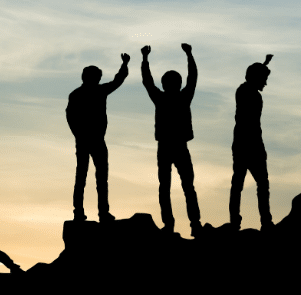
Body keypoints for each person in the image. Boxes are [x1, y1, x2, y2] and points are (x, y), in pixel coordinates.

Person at [141, 44, 203, 237]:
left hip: (167, 147)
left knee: (167, 187)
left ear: (165, 84)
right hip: (177, 146)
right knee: (186, 187)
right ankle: (193, 224)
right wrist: (189, 54)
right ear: (177, 83)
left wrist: (145, 59)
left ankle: (172, 224)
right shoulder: (184, 97)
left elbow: (147, 81)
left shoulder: (161, 98)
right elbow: (193, 77)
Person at [66, 54, 131, 222]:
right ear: (89, 77)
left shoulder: (86, 93)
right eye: (97, 77)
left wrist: (124, 64)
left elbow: (118, 80)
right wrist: (79, 134)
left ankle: (97, 212)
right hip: (89, 141)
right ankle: (83, 212)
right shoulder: (88, 93)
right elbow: (70, 117)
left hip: (93, 141)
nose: (98, 79)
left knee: (95, 178)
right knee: (88, 178)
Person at [229, 55, 274, 231]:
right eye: (264, 79)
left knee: (248, 183)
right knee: (249, 183)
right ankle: (262, 222)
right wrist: (263, 65)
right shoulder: (247, 92)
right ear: (256, 78)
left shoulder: (246, 90)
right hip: (248, 143)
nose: (266, 83)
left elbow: (253, 75)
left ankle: (246, 221)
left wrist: (265, 64)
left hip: (248, 142)